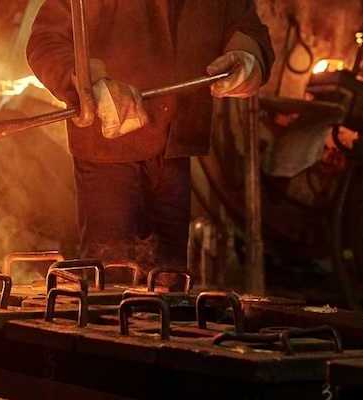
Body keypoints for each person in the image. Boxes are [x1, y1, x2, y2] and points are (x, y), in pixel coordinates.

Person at [27, 1, 273, 273]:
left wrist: (247, 58)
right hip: (109, 154)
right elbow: (45, 42)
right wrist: (91, 83)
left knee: (169, 284)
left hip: (175, 148)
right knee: (111, 282)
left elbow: (246, 27)